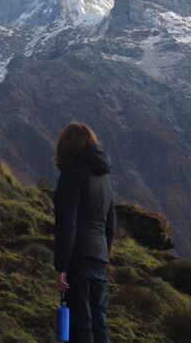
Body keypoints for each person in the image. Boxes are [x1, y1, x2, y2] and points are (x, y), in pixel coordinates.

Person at [53, 123, 115, 343]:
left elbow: (67, 224)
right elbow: (111, 224)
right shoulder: (104, 177)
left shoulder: (72, 175)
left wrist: (61, 266)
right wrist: (103, 254)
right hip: (99, 257)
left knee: (81, 322)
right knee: (99, 320)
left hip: (78, 257)